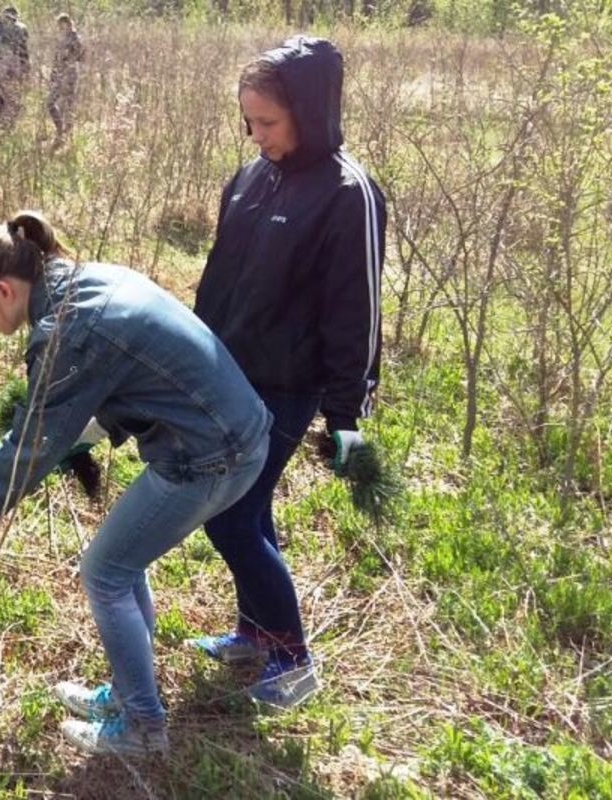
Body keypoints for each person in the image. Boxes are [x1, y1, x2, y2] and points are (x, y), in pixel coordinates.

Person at [0, 212, 271, 755]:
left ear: (3, 290)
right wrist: (99, 422)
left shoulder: (68, 330)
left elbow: (29, 449)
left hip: (212, 454)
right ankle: (128, 695)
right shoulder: (82, 281)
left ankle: (144, 729)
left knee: (105, 572)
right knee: (121, 563)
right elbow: (142, 366)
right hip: (229, 434)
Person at [190, 36, 387, 707]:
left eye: (268, 123)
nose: (257, 136)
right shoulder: (249, 177)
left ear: (311, 111)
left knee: (229, 517)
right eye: (248, 121)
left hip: (284, 386)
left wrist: (346, 416)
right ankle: (254, 632)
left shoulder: (346, 193)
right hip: (226, 376)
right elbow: (217, 279)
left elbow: (353, 310)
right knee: (250, 509)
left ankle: (295, 660)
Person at [0, 5, 30, 117]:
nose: (9, 21)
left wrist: (25, 66)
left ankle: (9, 116)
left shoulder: (19, 29)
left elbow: (23, 50)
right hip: (0, 63)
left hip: (12, 64)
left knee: (11, 92)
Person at [47, 13, 84, 147]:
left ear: (67, 23)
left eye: (62, 24)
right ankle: (60, 130)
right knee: (50, 103)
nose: (60, 27)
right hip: (59, 75)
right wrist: (53, 74)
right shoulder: (61, 38)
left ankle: (64, 135)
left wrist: (68, 61)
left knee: (67, 105)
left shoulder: (75, 38)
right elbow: (56, 59)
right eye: (59, 25)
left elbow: (80, 56)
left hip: (69, 75)